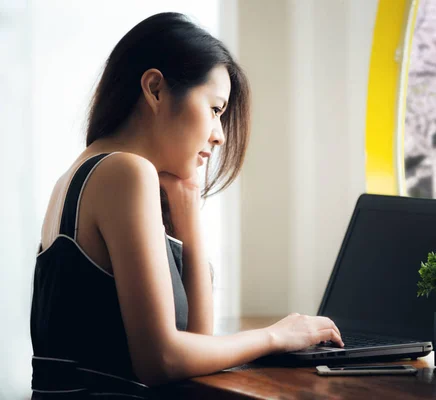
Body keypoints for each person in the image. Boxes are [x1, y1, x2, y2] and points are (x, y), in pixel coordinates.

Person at [30, 12, 343, 399]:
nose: (220, 137)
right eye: (215, 109)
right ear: (155, 89)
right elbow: (162, 360)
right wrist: (277, 335)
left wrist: (188, 212)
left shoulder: (78, 176)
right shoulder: (125, 172)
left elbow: (196, 345)